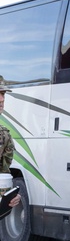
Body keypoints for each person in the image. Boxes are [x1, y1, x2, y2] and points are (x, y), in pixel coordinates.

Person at [0, 75, 22, 208]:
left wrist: (9, 195)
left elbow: (3, 175)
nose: (1, 99)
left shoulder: (4, 135)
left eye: (3, 94)